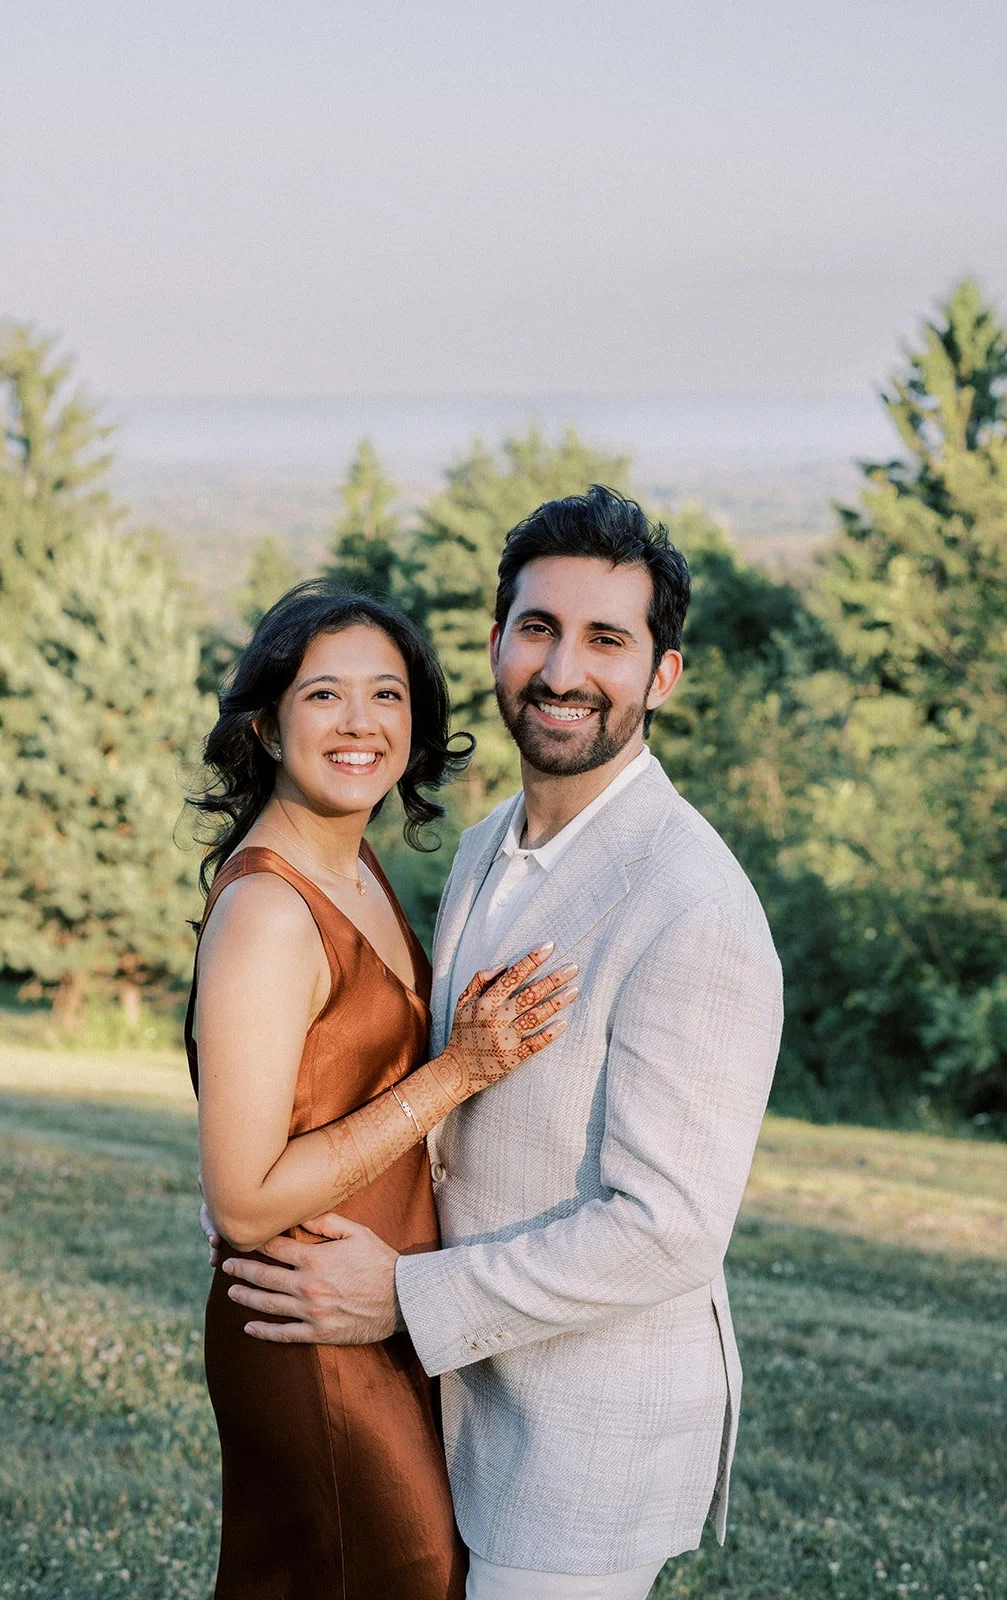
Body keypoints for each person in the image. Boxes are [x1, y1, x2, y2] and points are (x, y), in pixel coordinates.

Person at [216, 488, 785, 1600]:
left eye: (605, 639)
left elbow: (667, 1230)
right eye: (538, 628)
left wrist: (406, 1297)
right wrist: (252, 1177)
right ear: (494, 645)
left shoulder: (692, 906)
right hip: (454, 1405)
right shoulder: (484, 846)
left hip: (583, 1440)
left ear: (660, 676)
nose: (562, 668)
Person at [185, 582, 579, 1600]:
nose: (361, 723)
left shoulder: (351, 860)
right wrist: (458, 1072)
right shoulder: (271, 909)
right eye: (324, 695)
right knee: (401, 1569)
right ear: (267, 722)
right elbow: (239, 1198)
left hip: (375, 1309)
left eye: (387, 695)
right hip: (306, 1330)